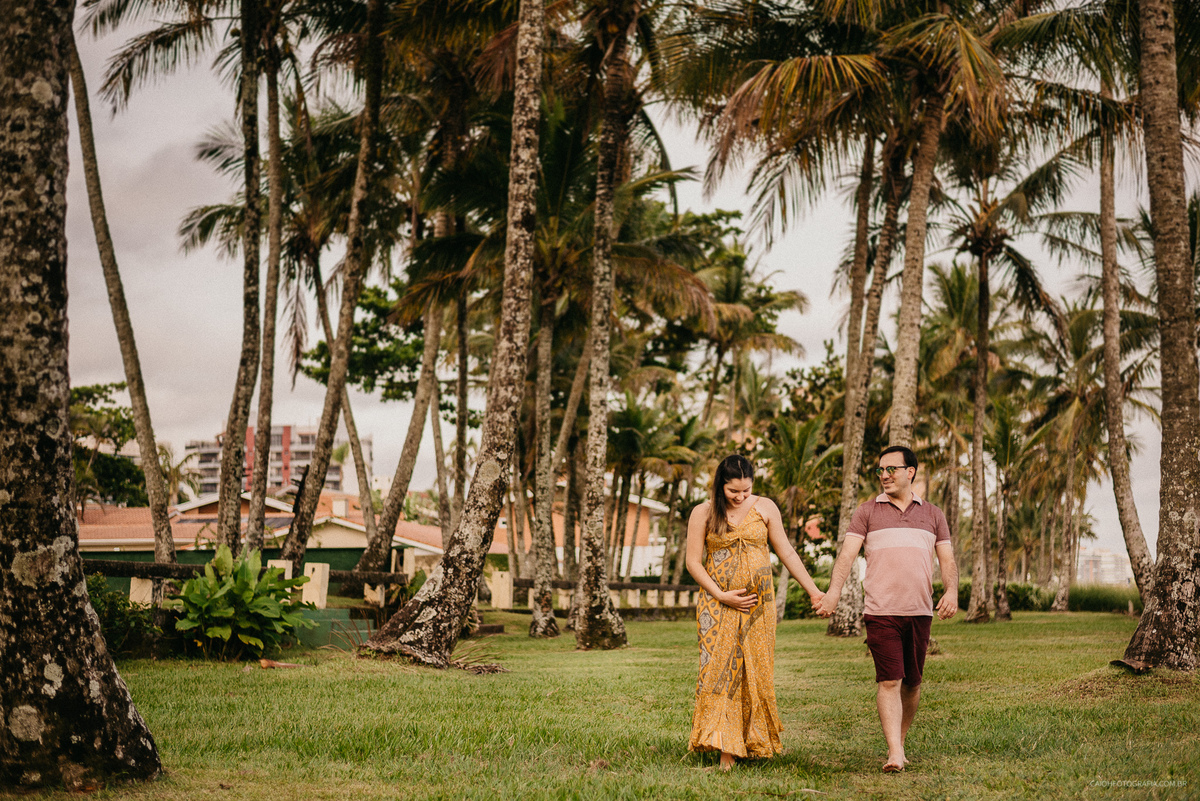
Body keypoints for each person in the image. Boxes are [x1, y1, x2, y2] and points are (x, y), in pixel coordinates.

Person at [816, 445, 958, 773]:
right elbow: (847, 556)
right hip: (880, 611)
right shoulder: (867, 512)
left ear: (911, 472)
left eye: (891, 469)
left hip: (920, 611)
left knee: (912, 683)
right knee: (890, 680)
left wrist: (951, 591)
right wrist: (833, 594)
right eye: (880, 470)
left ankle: (901, 741)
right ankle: (894, 752)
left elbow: (947, 560)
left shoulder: (933, 514)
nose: (884, 475)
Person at [686, 454, 825, 771]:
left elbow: (786, 551)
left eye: (746, 491)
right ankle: (725, 750)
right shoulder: (704, 513)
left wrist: (814, 591)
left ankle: (751, 742)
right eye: (733, 491)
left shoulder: (766, 507)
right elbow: (693, 561)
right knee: (720, 670)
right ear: (721, 485)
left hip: (758, 607)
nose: (740, 497)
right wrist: (722, 595)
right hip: (717, 604)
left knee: (754, 670)